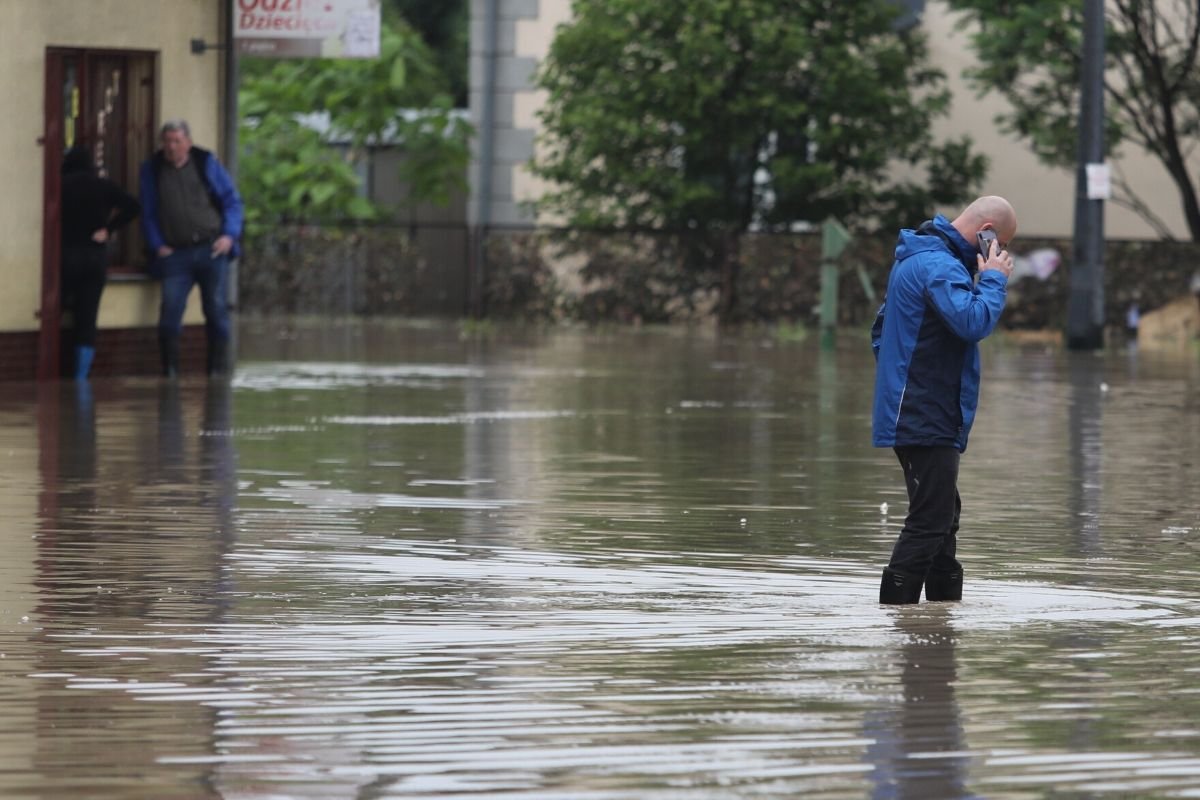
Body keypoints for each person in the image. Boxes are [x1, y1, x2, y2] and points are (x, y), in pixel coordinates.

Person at [870, 196, 1016, 604]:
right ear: (986, 231)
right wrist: (994, 279)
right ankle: (896, 623)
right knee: (930, 521)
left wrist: (900, 380)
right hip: (923, 412)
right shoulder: (938, 266)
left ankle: (939, 624)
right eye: (999, 244)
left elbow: (880, 333)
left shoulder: (919, 258)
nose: (1000, 253)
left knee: (943, 517)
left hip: (921, 408)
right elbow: (973, 322)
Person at [139, 119, 243, 377]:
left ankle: (216, 372)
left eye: (177, 141)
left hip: (211, 249)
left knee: (216, 309)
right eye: (167, 141)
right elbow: (148, 212)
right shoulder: (153, 170)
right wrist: (157, 245)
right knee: (170, 313)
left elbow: (232, 201)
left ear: (188, 142)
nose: (172, 147)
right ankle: (170, 372)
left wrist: (229, 235)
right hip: (176, 254)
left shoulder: (205, 163)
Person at [60, 146, 141, 379]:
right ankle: (80, 377)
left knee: (56, 311)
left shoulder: (60, 187)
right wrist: (109, 229)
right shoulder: (102, 186)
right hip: (95, 259)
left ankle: (53, 374)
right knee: (87, 319)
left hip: (65, 259)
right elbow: (133, 206)